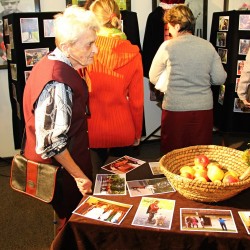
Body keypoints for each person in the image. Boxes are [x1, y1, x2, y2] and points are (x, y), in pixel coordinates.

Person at [22, 6, 100, 232]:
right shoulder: (58, 80)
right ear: (67, 46)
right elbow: (51, 143)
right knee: (72, 225)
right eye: (89, 44)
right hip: (63, 172)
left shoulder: (53, 64)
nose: (95, 50)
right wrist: (80, 177)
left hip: (63, 168)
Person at [149, 4, 227, 154]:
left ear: (177, 26)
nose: (169, 31)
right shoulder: (208, 46)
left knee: (173, 155)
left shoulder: (167, 46)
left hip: (175, 108)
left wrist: (168, 86)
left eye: (169, 27)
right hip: (203, 109)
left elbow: (153, 77)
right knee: (200, 155)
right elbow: (219, 78)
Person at [79, 0, 144, 177]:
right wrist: (137, 134)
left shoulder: (83, 51)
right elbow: (137, 102)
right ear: (119, 18)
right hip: (123, 129)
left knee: (92, 187)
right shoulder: (133, 53)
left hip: (91, 129)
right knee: (121, 188)